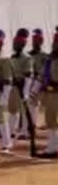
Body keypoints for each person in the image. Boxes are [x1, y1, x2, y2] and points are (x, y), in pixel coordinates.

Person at [29, 29, 58, 158]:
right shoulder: (50, 59)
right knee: (51, 121)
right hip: (50, 94)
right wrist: (34, 91)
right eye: (54, 43)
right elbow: (41, 76)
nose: (54, 45)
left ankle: (52, 148)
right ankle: (52, 148)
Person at [9, 28, 34, 139]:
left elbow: (28, 75)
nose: (14, 45)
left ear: (22, 44)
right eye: (14, 43)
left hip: (23, 86)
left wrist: (26, 91)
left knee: (25, 111)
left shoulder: (27, 58)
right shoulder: (11, 58)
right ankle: (11, 130)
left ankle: (26, 132)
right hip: (13, 87)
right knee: (12, 109)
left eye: (17, 43)